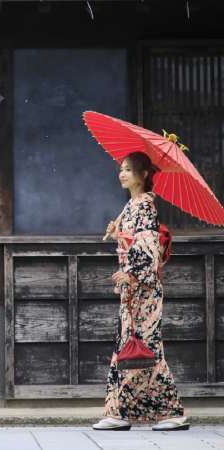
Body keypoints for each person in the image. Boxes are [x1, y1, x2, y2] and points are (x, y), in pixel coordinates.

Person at [92, 152, 189, 431]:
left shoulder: (144, 206)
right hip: (134, 290)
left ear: (143, 174)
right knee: (130, 346)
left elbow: (148, 250)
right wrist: (118, 230)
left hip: (143, 290)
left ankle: (171, 412)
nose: (122, 174)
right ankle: (118, 412)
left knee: (144, 348)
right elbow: (133, 242)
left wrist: (131, 273)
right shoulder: (132, 206)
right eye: (121, 169)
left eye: (128, 170)